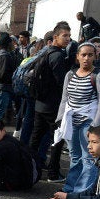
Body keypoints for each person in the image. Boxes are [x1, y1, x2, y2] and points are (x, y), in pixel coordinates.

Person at [55, 42, 100, 193]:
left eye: (90, 55)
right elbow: (64, 98)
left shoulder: (99, 75)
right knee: (74, 156)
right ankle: (70, 188)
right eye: (83, 55)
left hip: (89, 121)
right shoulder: (70, 74)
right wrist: (60, 120)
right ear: (77, 56)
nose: (86, 58)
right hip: (71, 121)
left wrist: (94, 127)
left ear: (95, 56)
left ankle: (82, 191)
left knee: (88, 158)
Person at [29, 22, 72, 183]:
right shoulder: (58, 56)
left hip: (40, 103)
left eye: (69, 35)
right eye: (64, 36)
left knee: (36, 138)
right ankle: (53, 173)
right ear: (55, 37)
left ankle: (30, 167)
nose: (68, 39)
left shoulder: (46, 52)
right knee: (58, 139)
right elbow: (62, 82)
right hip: (52, 105)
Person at [0, 32, 17, 121]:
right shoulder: (4, 56)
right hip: (3, 87)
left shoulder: (0, 54)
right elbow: (2, 74)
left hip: (1, 86)